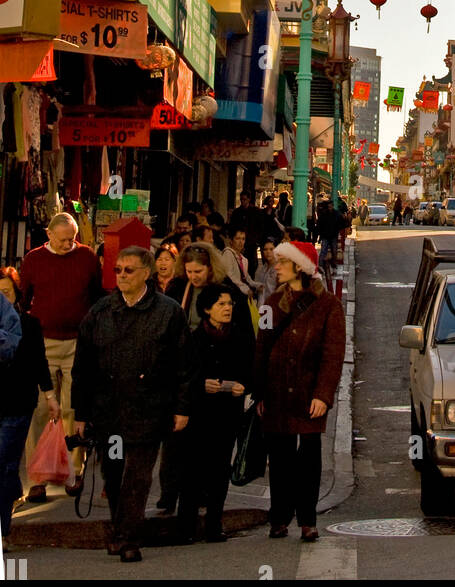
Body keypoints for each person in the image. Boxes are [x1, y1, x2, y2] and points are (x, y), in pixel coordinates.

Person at [71, 246, 193, 563]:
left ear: (146, 273)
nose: (122, 275)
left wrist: (182, 407)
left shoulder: (168, 313)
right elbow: (82, 366)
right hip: (109, 413)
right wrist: (81, 413)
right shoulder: (100, 312)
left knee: (137, 477)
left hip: (149, 411)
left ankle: (128, 539)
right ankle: (119, 528)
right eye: (118, 270)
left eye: (128, 270)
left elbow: (183, 365)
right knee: (113, 474)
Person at [255, 240, 346, 542]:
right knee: (279, 458)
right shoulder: (271, 304)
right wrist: (259, 393)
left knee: (309, 457)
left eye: (282, 262)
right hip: (277, 393)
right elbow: (262, 348)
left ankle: (307, 519)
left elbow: (333, 354)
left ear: (299, 267)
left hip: (309, 393)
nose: (276, 267)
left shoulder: (328, 305)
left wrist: (323, 394)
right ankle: (279, 517)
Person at [19, 210, 102, 502]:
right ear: (50, 236)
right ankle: (38, 477)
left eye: (74, 239)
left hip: (78, 341)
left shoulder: (88, 257)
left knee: (72, 408)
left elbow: (95, 296)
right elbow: (24, 298)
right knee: (41, 410)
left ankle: (73, 472)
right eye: (65, 240)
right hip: (43, 341)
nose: (70, 244)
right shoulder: (33, 259)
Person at [177, 283, 254, 544]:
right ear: (207, 308)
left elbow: (251, 370)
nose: (227, 308)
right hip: (200, 413)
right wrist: (202, 384)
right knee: (192, 470)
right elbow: (183, 375)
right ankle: (185, 527)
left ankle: (214, 525)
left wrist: (244, 386)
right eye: (221, 304)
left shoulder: (240, 337)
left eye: (230, 304)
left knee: (220, 470)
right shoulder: (194, 338)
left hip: (227, 413)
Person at [0, 267, 56, 537]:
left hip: (18, 402)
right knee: (6, 465)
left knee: (6, 462)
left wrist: (49, 394)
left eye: (6, 292)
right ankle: (10, 496)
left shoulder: (29, 324)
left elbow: (38, 361)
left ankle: (3, 530)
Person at [221, 227, 258, 298]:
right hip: (231, 293)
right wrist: (245, 288)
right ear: (231, 240)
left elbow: (247, 278)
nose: (241, 242)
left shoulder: (244, 259)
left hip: (241, 294)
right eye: (237, 238)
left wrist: (258, 285)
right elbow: (230, 275)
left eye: (243, 239)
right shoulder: (227, 253)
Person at [314, 198, 343, 282]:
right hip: (327, 236)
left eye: (331, 206)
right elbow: (320, 225)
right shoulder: (327, 214)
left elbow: (340, 223)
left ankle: (332, 267)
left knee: (333, 252)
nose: (330, 208)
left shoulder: (335, 214)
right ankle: (320, 267)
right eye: (329, 206)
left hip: (332, 235)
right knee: (324, 251)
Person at [254, 239, 279, 304]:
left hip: (274, 305)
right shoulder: (262, 268)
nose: (268, 252)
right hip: (261, 304)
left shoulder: (279, 268)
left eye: (271, 249)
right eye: (265, 249)